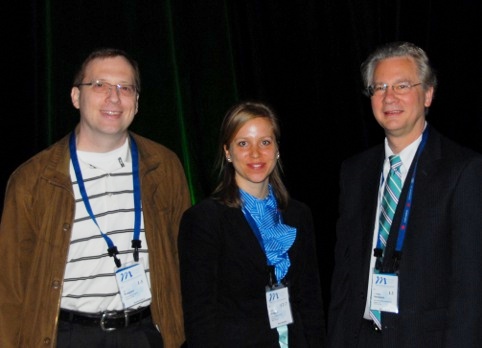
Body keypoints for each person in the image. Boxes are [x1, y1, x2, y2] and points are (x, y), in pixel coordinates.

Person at [0, 48, 191, 347]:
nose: (114, 97)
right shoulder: (31, 180)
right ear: (76, 97)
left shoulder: (164, 167)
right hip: (68, 336)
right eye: (99, 85)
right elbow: (9, 287)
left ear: (137, 102)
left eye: (125, 88)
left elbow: (185, 260)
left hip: (145, 333)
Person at [327, 41, 482, 347]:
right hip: (362, 338)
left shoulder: (463, 170)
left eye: (402, 85)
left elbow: (470, 289)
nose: (389, 97)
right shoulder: (354, 171)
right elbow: (344, 276)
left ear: (427, 94)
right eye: (379, 87)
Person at [178, 100, 326, 347]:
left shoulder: (299, 214)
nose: (255, 154)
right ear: (227, 151)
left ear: (277, 149)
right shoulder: (204, 220)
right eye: (243, 143)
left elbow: (310, 302)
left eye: (265, 142)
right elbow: (200, 319)